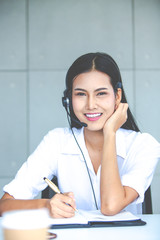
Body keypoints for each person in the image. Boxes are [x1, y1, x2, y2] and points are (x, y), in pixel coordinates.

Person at [0, 52, 160, 218]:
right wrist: (46, 206)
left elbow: (111, 206)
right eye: (81, 94)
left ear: (117, 96)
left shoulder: (145, 146)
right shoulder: (56, 141)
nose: (91, 105)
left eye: (101, 93)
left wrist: (110, 133)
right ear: (68, 99)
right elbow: (4, 205)